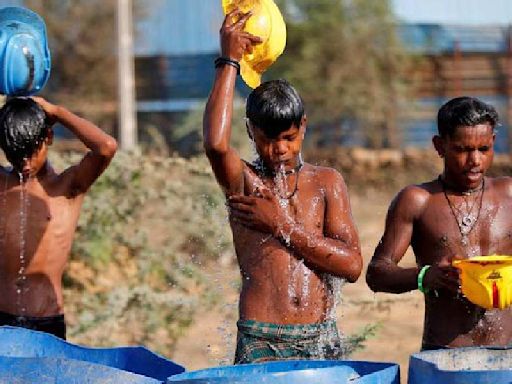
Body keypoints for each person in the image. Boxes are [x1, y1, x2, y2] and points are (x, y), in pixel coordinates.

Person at [203, 9, 362, 364]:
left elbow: (352, 266)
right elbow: (215, 144)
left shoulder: (326, 183)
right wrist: (228, 61)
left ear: (303, 127)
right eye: (267, 139)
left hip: (319, 334)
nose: (279, 150)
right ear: (250, 133)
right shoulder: (245, 182)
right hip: (261, 335)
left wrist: (282, 225)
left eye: (289, 138)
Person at [366, 96, 512, 350]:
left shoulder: (509, 194)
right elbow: (377, 273)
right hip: (445, 355)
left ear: (493, 144)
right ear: (439, 146)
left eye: (483, 149)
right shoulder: (417, 201)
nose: (475, 160)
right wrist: (425, 276)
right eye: (463, 150)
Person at [0, 97, 117, 339]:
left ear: (49, 137)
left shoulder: (68, 187)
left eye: (31, 152)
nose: (24, 163)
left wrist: (57, 111)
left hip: (47, 321)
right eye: (15, 154)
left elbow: (106, 146)